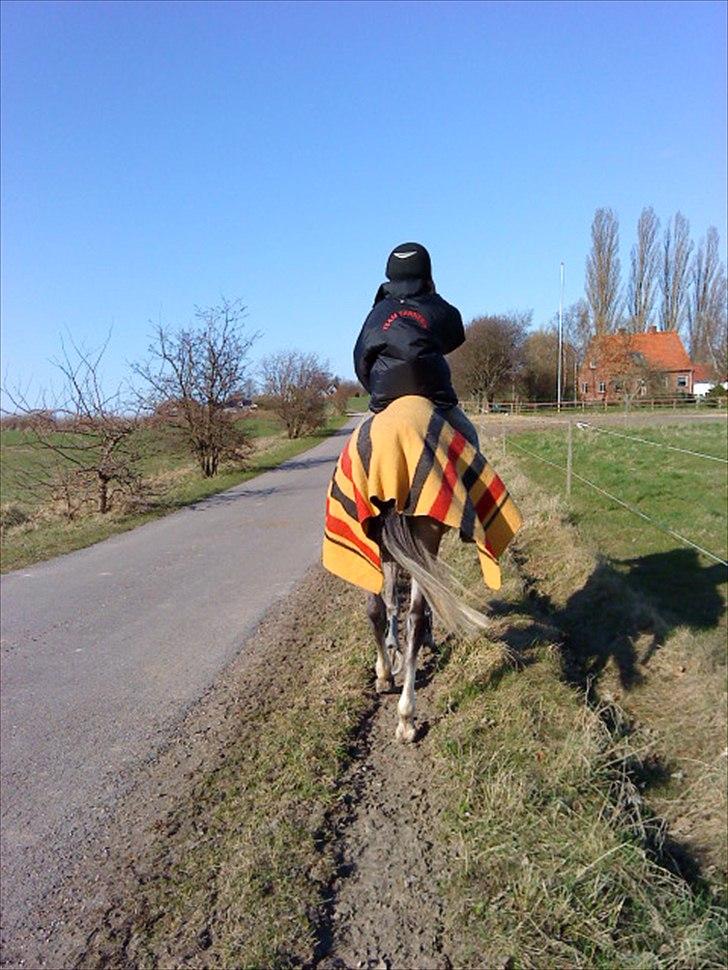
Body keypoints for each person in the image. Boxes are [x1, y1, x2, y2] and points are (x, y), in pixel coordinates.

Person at [353, 242, 479, 447]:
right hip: (435, 397)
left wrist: (375, 391)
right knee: (468, 437)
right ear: (427, 272)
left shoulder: (376, 314)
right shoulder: (437, 307)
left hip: (386, 400)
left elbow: (361, 358)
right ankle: (474, 479)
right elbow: (456, 335)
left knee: (356, 449)